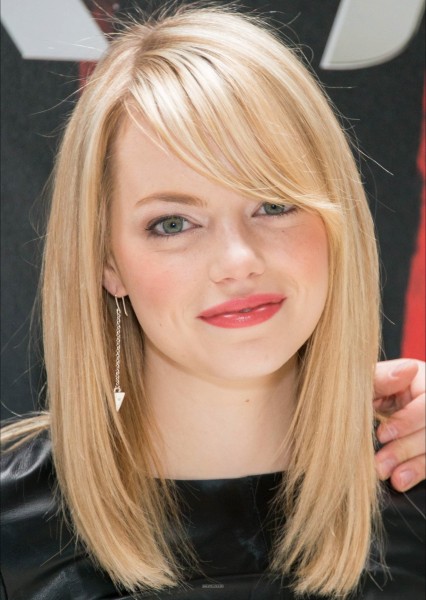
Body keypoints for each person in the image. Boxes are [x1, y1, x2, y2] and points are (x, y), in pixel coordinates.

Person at [1, 5, 424, 599]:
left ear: (338, 221)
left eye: (274, 204)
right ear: (107, 260)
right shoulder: (12, 524)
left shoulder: (414, 486)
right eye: (173, 223)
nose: (237, 259)